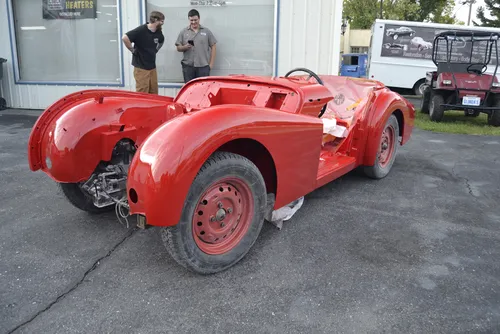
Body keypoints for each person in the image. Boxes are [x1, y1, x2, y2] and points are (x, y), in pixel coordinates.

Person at [122, 11, 165, 94]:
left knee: (153, 92)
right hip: (141, 67)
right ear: (156, 20)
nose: (163, 23)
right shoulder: (141, 30)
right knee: (143, 93)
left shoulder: (158, 32)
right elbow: (125, 37)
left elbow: (161, 41)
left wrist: (156, 50)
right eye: (161, 21)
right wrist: (132, 50)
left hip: (152, 67)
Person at [175, 9, 217, 83]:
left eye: (195, 20)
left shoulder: (206, 31)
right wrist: (185, 47)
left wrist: (210, 65)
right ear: (189, 20)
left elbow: (213, 46)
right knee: (189, 90)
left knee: (203, 90)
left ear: (199, 18)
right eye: (191, 20)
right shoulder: (183, 32)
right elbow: (178, 47)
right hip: (188, 67)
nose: (193, 22)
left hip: (203, 67)